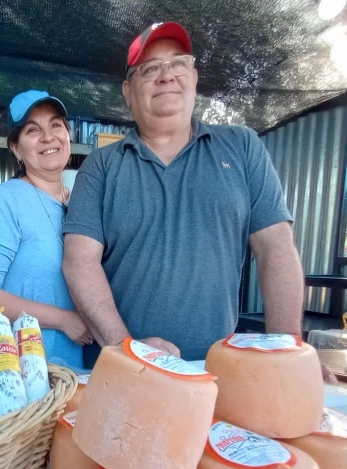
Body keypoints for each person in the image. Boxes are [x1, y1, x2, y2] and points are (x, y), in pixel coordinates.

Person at [62, 22, 306, 365]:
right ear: (128, 92)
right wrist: (128, 352)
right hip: (120, 369)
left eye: (178, 63)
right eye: (150, 69)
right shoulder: (100, 166)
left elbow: (275, 247)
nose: (166, 75)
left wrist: (288, 353)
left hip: (218, 369)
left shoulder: (242, 147)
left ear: (193, 78)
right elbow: (79, 262)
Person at [0, 90, 91, 369]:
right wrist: (64, 320)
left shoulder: (80, 203)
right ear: (16, 148)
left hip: (75, 369)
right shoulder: (7, 200)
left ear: (68, 135)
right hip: (22, 370)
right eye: (33, 130)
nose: (48, 137)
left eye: (56, 125)